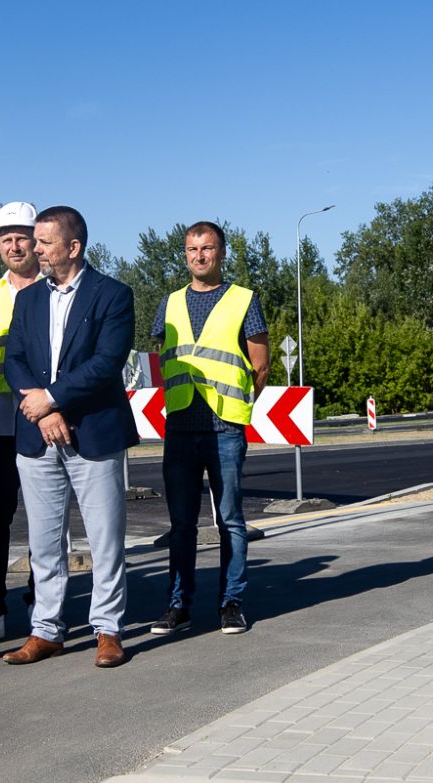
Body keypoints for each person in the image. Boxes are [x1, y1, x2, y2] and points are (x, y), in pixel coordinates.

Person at [0, 205, 138, 669]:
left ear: (73, 247)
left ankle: (107, 629)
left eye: (43, 242)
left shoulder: (113, 295)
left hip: (93, 432)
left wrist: (52, 399)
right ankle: (47, 630)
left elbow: (105, 363)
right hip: (38, 436)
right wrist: (41, 411)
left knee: (104, 539)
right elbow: (12, 359)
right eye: (34, 242)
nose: (34, 249)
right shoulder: (29, 299)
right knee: (44, 540)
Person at [152, 221, 269, 637]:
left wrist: (235, 407)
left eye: (206, 248)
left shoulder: (243, 301)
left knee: (231, 521)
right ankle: (178, 604)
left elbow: (260, 365)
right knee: (181, 524)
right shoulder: (168, 304)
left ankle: (231, 603)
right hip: (180, 427)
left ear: (221, 252)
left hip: (224, 429)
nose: (198, 256)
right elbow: (159, 359)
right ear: (184, 254)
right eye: (191, 249)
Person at [0, 201, 39, 641]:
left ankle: (42, 601)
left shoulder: (56, 291)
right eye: (6, 240)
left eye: (22, 238)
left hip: (45, 424)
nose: (15, 247)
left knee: (46, 521)